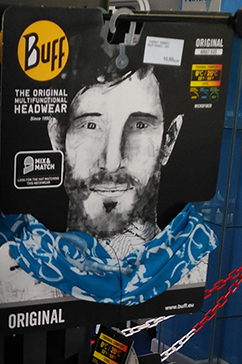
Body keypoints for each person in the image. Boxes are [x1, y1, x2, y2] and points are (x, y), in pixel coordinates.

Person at [47, 41, 184, 260]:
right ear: (58, 137)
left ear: (170, 139)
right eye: (91, 126)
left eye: (140, 125)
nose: (112, 162)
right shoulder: (18, 263)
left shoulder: (194, 264)